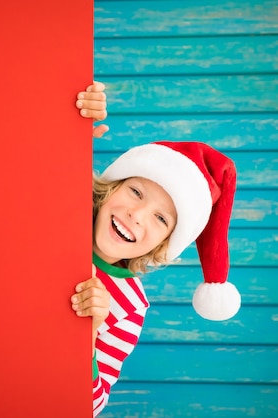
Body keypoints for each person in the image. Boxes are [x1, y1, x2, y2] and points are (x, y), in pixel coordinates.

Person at [75, 83, 240, 416]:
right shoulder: (62, 209)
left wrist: (88, 335)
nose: (136, 215)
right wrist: (68, 131)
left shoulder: (130, 308)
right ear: (111, 187)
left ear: (164, 243)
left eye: (161, 218)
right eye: (136, 192)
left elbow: (90, 406)